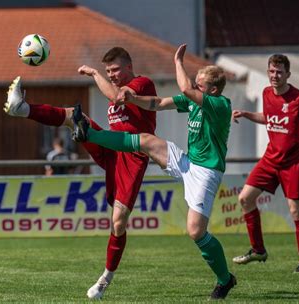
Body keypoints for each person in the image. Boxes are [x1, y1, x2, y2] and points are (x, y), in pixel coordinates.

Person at [71, 44, 236, 300]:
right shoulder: (194, 101)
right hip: (188, 162)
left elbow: (184, 89)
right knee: (146, 140)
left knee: (195, 231)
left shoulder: (220, 104)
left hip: (206, 172)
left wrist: (178, 62)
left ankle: (225, 280)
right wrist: (132, 99)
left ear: (213, 90)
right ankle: (89, 133)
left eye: (199, 84)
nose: (194, 86)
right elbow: (157, 103)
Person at [4, 46, 157, 299]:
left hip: (132, 154)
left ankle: (106, 278)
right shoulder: (116, 86)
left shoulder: (142, 83)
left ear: (129, 67)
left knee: (118, 223)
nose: (112, 75)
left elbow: (119, 97)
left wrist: (95, 74)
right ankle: (22, 108)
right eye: (108, 71)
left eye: (116, 69)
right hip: (110, 146)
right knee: (74, 117)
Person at [231, 54, 299, 273]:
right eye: (271, 71)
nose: (275, 76)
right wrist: (246, 114)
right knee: (245, 198)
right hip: (270, 160)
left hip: (293, 163)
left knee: (296, 211)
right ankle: (258, 250)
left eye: (279, 72)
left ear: (288, 74)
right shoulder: (265, 93)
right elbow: (268, 117)